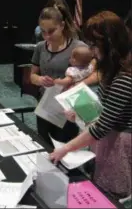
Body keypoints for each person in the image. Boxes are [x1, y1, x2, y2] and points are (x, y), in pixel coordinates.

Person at [50, 11, 132, 200]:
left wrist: (66, 148)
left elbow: (102, 127)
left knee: (110, 194)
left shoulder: (124, 78)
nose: (91, 51)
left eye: (94, 45)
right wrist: (80, 114)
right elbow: (106, 110)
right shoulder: (112, 68)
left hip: (118, 143)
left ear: (109, 44)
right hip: (109, 138)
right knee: (101, 187)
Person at [30, 7, 94, 146]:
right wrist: (40, 80)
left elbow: (94, 73)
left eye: (51, 31)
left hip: (67, 108)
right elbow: (32, 76)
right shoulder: (40, 47)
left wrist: (77, 84)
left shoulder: (78, 47)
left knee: (64, 147)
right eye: (43, 32)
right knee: (44, 144)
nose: (47, 36)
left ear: (62, 25)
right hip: (45, 104)